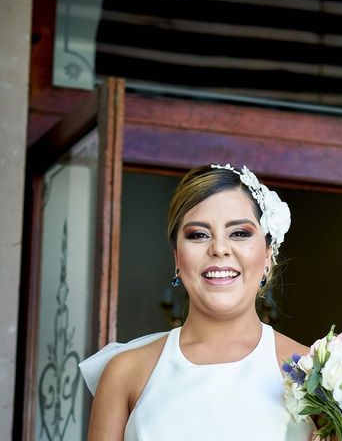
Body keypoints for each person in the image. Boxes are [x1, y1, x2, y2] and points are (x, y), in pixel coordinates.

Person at [80, 163, 315, 440]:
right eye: (199, 235)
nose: (219, 249)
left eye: (239, 233)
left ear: (267, 255)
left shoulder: (313, 374)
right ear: (177, 258)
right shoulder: (126, 373)